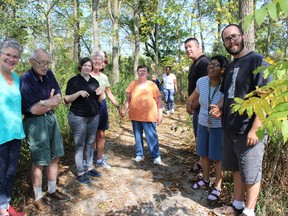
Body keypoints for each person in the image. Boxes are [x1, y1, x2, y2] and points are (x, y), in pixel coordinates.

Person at [211, 24, 272, 216]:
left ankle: (249, 210)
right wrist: (218, 108)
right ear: (224, 43)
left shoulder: (257, 61)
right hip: (230, 129)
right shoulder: (229, 67)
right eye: (227, 39)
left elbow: (267, 97)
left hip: (249, 130)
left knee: (252, 173)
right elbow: (227, 94)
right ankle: (237, 204)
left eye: (234, 36)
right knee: (237, 169)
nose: (231, 41)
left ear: (243, 36)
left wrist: (255, 128)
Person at [20, 48, 70, 213]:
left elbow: (58, 98)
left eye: (47, 62)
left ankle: (52, 189)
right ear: (31, 62)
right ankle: (38, 197)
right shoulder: (26, 79)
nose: (45, 66)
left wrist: (43, 102)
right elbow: (33, 110)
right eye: (41, 62)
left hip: (51, 118)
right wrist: (48, 101)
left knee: (55, 155)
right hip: (35, 123)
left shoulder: (49, 75)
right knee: (39, 161)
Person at [188, 55, 228, 202]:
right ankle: (205, 179)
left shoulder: (226, 84)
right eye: (210, 64)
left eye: (216, 65)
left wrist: (220, 109)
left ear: (223, 70)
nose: (211, 67)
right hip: (203, 123)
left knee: (217, 157)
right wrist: (189, 103)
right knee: (203, 154)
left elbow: (228, 103)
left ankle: (217, 186)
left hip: (218, 126)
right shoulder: (201, 81)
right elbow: (195, 96)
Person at [64, 57, 104, 184]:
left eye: (89, 66)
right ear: (80, 67)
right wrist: (79, 93)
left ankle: (89, 167)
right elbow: (66, 99)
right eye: (85, 65)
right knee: (80, 144)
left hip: (93, 116)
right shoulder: (74, 81)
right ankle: (80, 171)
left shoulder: (94, 81)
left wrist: (100, 93)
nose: (87, 67)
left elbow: (99, 100)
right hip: (78, 117)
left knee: (90, 142)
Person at [0, 39, 26, 216]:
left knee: (10, 173)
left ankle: (5, 204)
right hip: (0, 135)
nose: (11, 59)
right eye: (7, 55)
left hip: (15, 133)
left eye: (15, 56)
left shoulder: (16, 78)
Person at [121, 65, 163, 165]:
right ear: (137, 72)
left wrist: (160, 114)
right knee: (137, 135)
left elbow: (159, 101)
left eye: (144, 71)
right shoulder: (132, 84)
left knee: (151, 136)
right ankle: (139, 154)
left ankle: (156, 156)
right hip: (135, 115)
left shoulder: (152, 85)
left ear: (147, 73)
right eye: (140, 71)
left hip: (149, 116)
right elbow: (128, 100)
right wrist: (124, 111)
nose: (142, 72)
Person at [90, 50, 122, 169]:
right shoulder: (87, 75)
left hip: (102, 106)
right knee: (91, 135)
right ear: (91, 61)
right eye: (95, 59)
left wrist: (118, 106)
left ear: (103, 62)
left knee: (101, 134)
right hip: (90, 107)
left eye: (100, 59)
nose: (97, 61)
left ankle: (99, 159)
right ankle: (87, 160)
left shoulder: (104, 77)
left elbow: (109, 93)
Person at [184, 37, 210, 172]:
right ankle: (201, 161)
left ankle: (203, 165)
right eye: (186, 47)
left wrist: (193, 104)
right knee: (199, 136)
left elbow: (205, 87)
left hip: (202, 108)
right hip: (197, 108)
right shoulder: (195, 63)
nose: (188, 49)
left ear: (198, 47)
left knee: (202, 137)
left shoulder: (204, 63)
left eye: (190, 46)